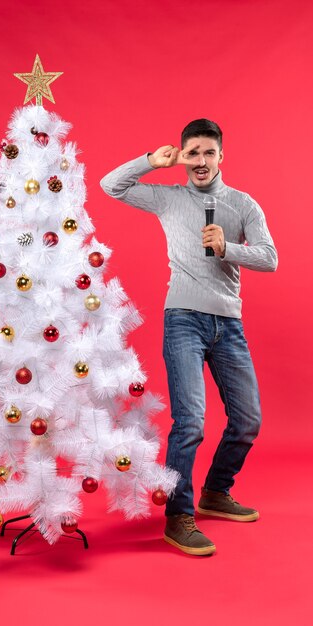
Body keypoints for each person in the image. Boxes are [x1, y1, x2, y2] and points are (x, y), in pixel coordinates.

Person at [99, 119, 278, 556]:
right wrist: (148, 161)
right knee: (191, 422)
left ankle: (215, 493)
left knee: (248, 420)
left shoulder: (242, 204)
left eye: (208, 153)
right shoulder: (167, 198)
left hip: (228, 324)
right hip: (183, 320)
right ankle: (179, 517)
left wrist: (228, 249)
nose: (200, 162)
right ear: (182, 157)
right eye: (192, 153)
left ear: (221, 157)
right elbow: (110, 186)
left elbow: (270, 259)